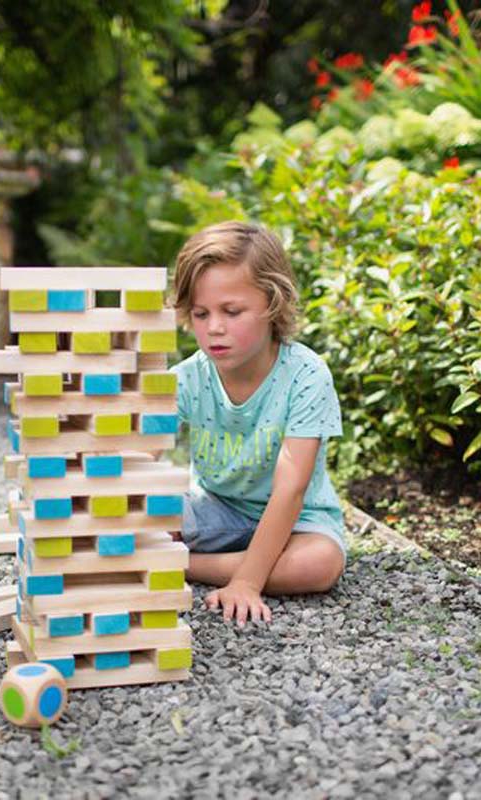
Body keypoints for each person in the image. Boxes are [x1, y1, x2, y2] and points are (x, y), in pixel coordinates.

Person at [171, 220, 346, 627]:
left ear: (272, 304)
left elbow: (292, 487)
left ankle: (183, 565)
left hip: (299, 520)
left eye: (231, 312)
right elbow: (130, 449)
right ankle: (193, 557)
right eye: (201, 313)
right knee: (137, 515)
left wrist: (248, 582)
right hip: (214, 510)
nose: (214, 327)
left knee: (319, 565)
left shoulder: (306, 375)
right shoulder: (189, 378)